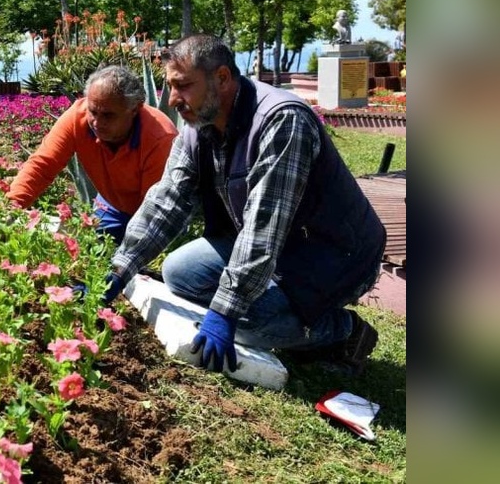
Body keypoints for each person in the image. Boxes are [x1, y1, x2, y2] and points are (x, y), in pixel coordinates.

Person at [99, 35, 385, 376]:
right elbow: (167, 201)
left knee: (249, 325)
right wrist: (119, 270)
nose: (173, 99)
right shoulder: (199, 125)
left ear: (221, 78)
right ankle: (290, 313)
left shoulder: (282, 121)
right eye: (170, 86)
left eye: (183, 86)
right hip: (284, 243)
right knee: (180, 273)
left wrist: (225, 311)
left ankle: (343, 330)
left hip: (334, 253)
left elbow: (265, 227)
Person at [6, 65, 178, 243]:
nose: (97, 122)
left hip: (156, 212)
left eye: (108, 115)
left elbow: (153, 210)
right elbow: (42, 166)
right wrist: (10, 210)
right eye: (93, 112)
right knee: (92, 249)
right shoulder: (77, 117)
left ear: (134, 110)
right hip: (112, 206)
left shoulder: (159, 139)